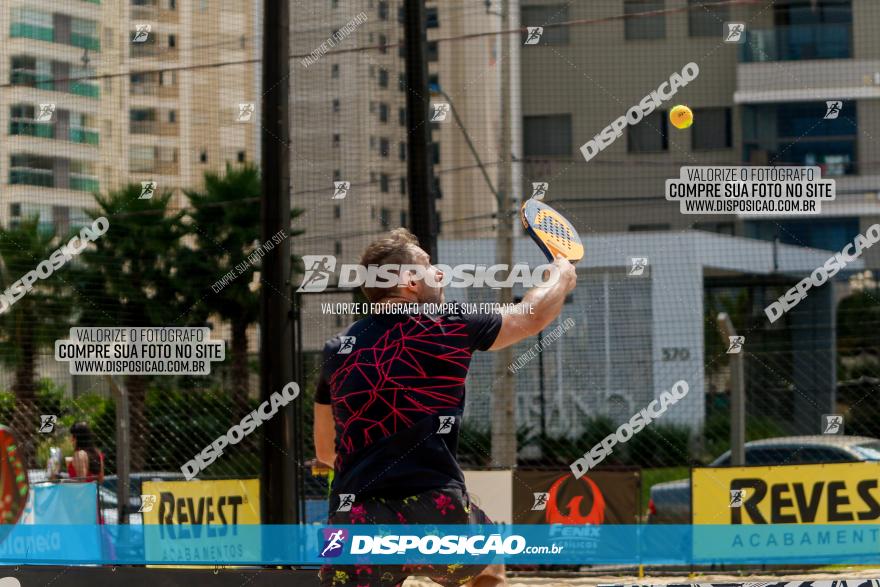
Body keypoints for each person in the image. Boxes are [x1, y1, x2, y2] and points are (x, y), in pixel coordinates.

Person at [314, 228, 577, 587]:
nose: (439, 273)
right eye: (428, 265)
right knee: (490, 555)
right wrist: (560, 274)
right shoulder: (451, 323)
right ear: (408, 281)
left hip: (355, 518)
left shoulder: (336, 350)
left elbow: (326, 452)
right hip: (438, 515)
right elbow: (531, 315)